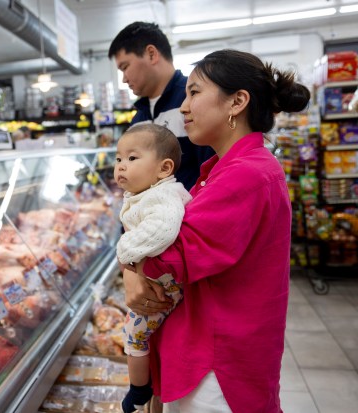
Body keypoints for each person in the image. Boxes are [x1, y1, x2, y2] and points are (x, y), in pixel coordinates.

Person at [121, 49, 310, 413]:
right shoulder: (229, 167)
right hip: (214, 345)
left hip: (219, 364)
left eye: (194, 93)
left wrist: (131, 266)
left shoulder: (246, 175)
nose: (184, 107)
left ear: (237, 102)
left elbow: (172, 257)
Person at [113, 124, 192, 413]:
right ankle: (144, 385)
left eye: (132, 159)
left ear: (164, 168)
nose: (121, 166)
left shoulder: (161, 197)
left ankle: (139, 388)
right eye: (119, 158)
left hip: (168, 287)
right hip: (162, 279)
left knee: (133, 332)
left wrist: (124, 252)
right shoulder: (147, 192)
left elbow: (162, 231)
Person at [108, 21, 215, 191]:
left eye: (125, 67)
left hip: (191, 214)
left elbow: (213, 173)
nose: (124, 79)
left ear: (151, 54)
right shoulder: (138, 119)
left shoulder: (194, 101)